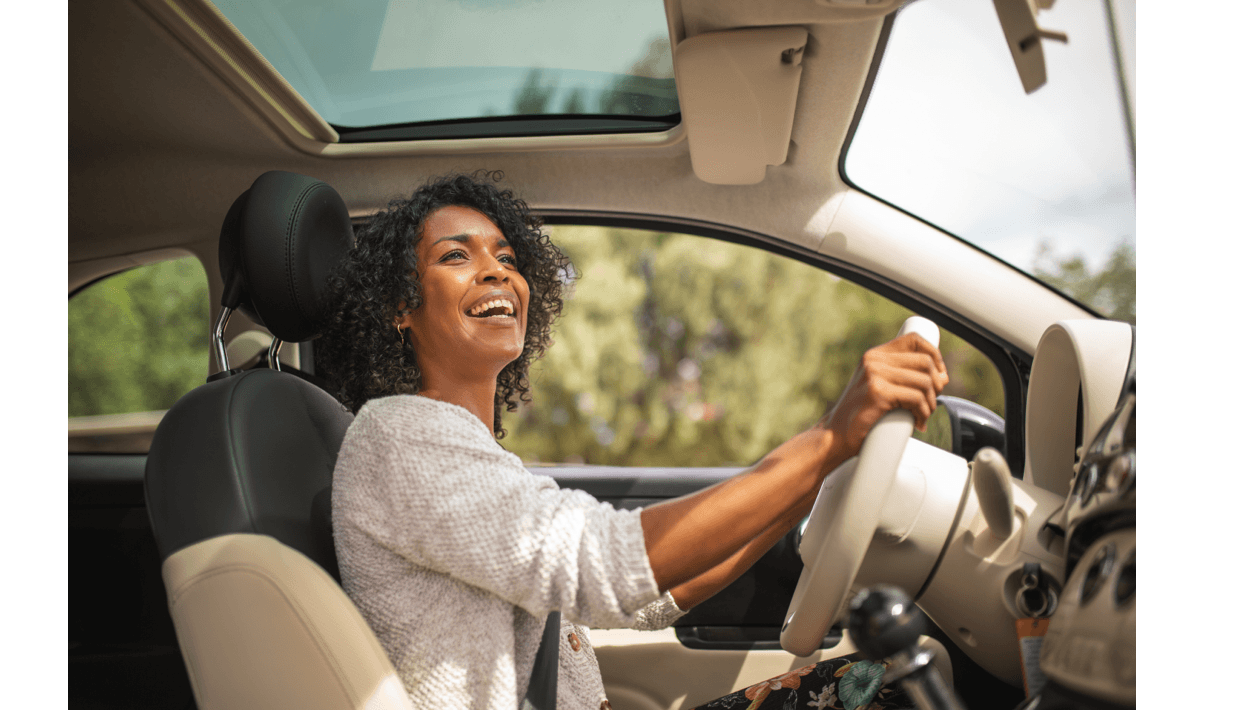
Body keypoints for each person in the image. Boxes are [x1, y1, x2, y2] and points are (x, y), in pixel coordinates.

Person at [320, 173, 948, 710]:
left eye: (508, 258)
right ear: (401, 306)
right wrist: (830, 437)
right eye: (457, 257)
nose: (495, 271)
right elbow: (606, 565)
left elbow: (643, 601)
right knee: (895, 686)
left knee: (879, 678)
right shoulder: (400, 437)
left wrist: (818, 472)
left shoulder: (472, 454)